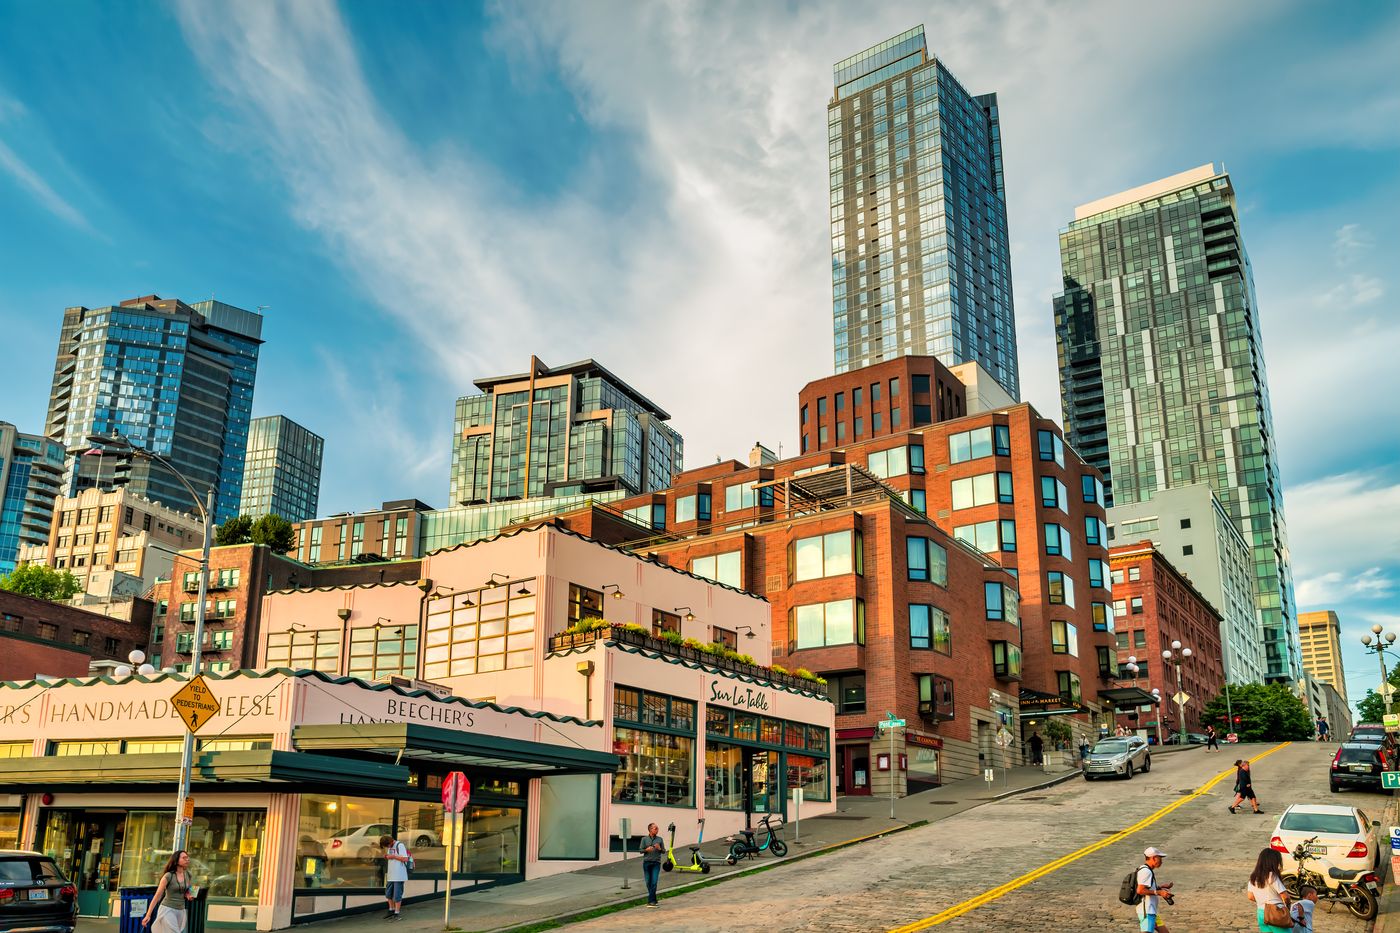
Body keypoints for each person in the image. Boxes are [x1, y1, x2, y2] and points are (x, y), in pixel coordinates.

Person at [141, 850, 193, 932]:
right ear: (176, 860)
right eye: (184, 858)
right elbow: (157, 896)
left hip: (181, 910)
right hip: (168, 909)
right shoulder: (168, 876)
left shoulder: (188, 874)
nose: (187, 859)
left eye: (187, 857)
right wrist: (148, 915)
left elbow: (188, 889)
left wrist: (189, 894)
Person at [1246, 847, 1292, 932]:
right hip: (1276, 912)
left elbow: (1250, 896)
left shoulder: (1254, 877)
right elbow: (1285, 897)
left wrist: (1263, 901)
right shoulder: (1272, 876)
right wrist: (1288, 908)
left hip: (1261, 913)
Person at [1134, 846, 1175, 933]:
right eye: (1160, 858)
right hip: (1147, 911)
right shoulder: (1146, 872)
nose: (1161, 861)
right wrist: (1159, 892)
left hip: (1152, 911)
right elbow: (1140, 890)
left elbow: (1147, 887)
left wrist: (1160, 887)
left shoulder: (1146, 870)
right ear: (1154, 858)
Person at [379, 833, 410, 921]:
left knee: (397, 895)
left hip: (399, 875)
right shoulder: (390, 846)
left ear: (391, 842)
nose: (388, 847)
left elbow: (405, 859)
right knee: (388, 893)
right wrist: (387, 856)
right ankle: (391, 910)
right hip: (391, 874)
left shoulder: (400, 845)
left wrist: (393, 856)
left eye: (388, 845)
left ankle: (397, 913)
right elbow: (392, 857)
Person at [640, 822, 665, 908]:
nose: (657, 830)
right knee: (648, 882)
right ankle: (654, 899)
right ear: (650, 829)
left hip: (656, 863)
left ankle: (651, 902)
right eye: (655, 828)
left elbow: (664, 851)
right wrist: (646, 849)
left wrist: (659, 848)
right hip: (646, 863)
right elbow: (640, 850)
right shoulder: (644, 839)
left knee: (654, 882)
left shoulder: (660, 839)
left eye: (657, 828)